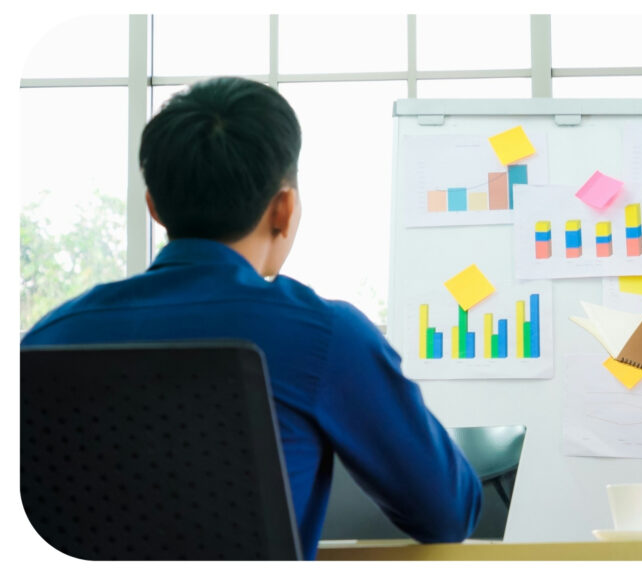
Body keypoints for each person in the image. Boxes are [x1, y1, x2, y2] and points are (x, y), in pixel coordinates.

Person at [21, 76, 483, 560]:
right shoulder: (324, 337)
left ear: (154, 207)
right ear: (284, 208)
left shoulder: (47, 338)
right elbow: (446, 514)